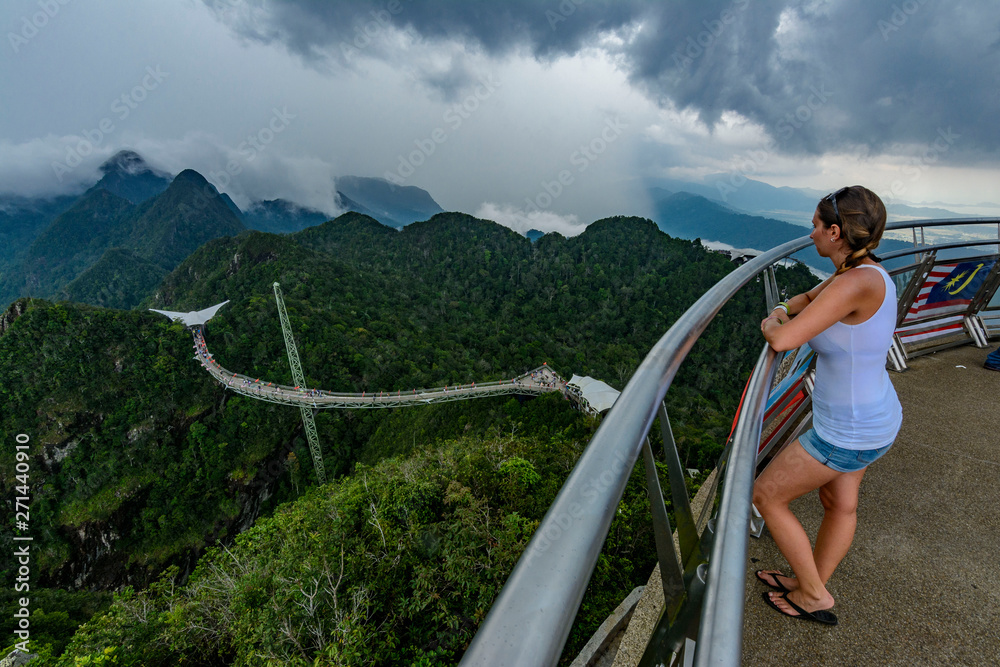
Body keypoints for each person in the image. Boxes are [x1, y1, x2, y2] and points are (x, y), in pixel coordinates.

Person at [753, 185, 903, 626]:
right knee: (839, 503)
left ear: (835, 232)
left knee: (766, 495)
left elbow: (782, 338)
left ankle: (814, 595)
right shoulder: (863, 271)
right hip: (874, 420)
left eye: (817, 226)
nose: (811, 233)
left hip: (847, 431)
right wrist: (786, 305)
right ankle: (810, 580)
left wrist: (773, 319)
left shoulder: (853, 283)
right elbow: (805, 300)